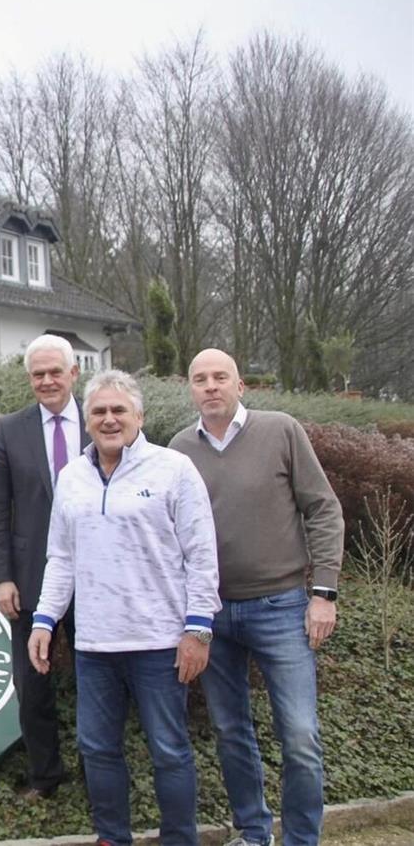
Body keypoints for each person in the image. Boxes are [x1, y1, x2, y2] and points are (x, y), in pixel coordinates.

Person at [29, 370, 220, 846]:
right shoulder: (71, 477)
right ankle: (112, 836)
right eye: (99, 411)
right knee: (96, 747)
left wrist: (198, 628)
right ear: (86, 420)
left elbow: (201, 553)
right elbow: (61, 557)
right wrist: (45, 619)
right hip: (95, 644)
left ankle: (181, 840)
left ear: (139, 416)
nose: (109, 419)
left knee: (169, 751)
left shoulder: (173, 470)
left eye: (119, 410)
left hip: (160, 643)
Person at [170, 349, 343, 846]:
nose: (210, 386)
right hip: (212, 615)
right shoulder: (179, 449)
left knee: (301, 736)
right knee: (229, 732)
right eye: (200, 379)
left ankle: (302, 840)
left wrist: (324, 592)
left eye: (220, 377)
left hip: (282, 607)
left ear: (240, 385)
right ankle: (253, 832)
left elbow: (324, 511)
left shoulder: (281, 431)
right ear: (191, 389)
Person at [0, 333, 85, 799]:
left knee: (98, 680)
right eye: (38, 374)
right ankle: (45, 777)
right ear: (29, 379)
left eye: (55, 372)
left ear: (73, 374)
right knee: (33, 682)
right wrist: (1, 576)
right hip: (29, 579)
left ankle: (99, 772)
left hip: (97, 577)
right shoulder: (10, 429)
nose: (47, 381)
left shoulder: (103, 420)